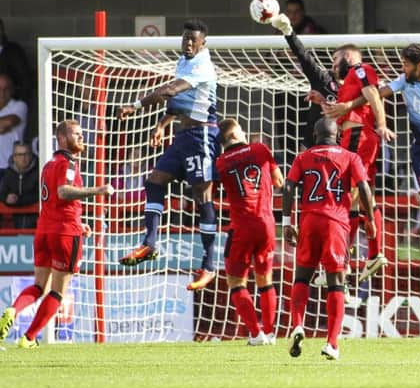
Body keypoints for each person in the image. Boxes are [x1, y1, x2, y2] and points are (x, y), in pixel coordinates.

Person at [325, 43, 420, 285]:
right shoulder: (405, 80)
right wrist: (348, 105)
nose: (403, 68)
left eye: (406, 64)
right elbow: (375, 93)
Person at [117, 20, 222, 292]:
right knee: (154, 181)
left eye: (193, 40)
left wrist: (136, 105)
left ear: (203, 44)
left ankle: (209, 265)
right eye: (185, 38)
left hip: (202, 138)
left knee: (203, 196)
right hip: (183, 136)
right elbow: (178, 104)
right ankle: (150, 244)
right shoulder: (183, 61)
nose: (188, 43)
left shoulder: (202, 65)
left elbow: (170, 91)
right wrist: (162, 125)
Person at [0, 120, 114, 347]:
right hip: (64, 233)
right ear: (62, 138)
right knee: (58, 292)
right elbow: (63, 192)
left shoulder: (48, 165)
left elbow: (53, 201)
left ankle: (13, 310)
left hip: (44, 230)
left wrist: (79, 223)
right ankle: (28, 338)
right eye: (77, 134)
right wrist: (98, 190)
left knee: (39, 285)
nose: (81, 137)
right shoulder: (68, 164)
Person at [283, 117, 375, 360]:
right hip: (336, 222)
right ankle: (332, 342)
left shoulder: (303, 157)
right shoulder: (349, 157)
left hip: (309, 220)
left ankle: (298, 325)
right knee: (336, 281)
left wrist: (286, 222)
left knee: (302, 276)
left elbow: (289, 187)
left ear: (315, 135)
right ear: (337, 135)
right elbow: (364, 188)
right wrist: (371, 219)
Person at [313, 44, 395, 282]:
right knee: (356, 199)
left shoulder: (360, 69)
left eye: (335, 58)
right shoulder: (348, 82)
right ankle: (363, 256)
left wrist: (381, 124)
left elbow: (372, 94)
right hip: (354, 137)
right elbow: (341, 111)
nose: (332, 65)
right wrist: (322, 100)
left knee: (348, 197)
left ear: (348, 57)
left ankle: (346, 259)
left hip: (360, 138)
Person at [215, 118, 283, 345]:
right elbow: (279, 181)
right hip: (266, 223)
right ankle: (271, 333)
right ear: (234, 136)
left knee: (236, 282)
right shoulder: (260, 149)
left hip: (241, 227)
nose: (244, 133)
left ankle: (255, 334)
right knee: (265, 279)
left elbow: (209, 192)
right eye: (241, 131)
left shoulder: (220, 163)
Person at [271, 13, 338, 150]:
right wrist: (288, 31)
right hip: (311, 147)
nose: (335, 63)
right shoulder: (323, 79)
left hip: (342, 147)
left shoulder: (357, 89)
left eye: (340, 58)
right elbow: (303, 56)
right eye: (335, 58)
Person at [0, 141, 39, 228]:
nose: (23, 158)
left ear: (31, 155)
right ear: (14, 157)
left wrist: (18, 200)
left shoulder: (39, 172)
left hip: (36, 223)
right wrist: (7, 198)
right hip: (14, 225)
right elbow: (2, 193)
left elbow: (39, 195)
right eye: (19, 155)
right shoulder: (8, 173)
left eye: (26, 154)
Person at [0, 73, 28, 179]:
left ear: (12, 90)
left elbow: (5, 124)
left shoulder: (19, 106)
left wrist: (3, 126)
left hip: (10, 168)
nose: (2, 93)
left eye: (6, 89)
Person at [0, 19, 31, 101]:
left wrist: (20, 101)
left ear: (2, 31)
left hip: (11, 102)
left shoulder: (14, 51)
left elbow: (25, 80)